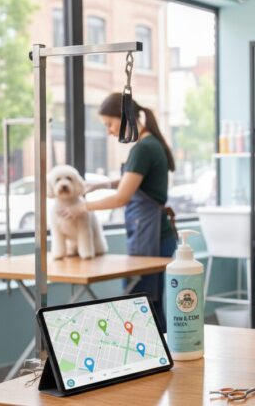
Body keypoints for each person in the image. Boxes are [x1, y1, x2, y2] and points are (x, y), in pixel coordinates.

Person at [62, 93, 177, 331]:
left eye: (110, 124)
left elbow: (122, 198)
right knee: (150, 305)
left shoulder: (143, 149)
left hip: (151, 236)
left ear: (126, 118)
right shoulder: (150, 144)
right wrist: (102, 184)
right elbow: (133, 181)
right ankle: (163, 351)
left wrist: (83, 207)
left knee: (143, 306)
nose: (109, 131)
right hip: (152, 234)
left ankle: (158, 351)